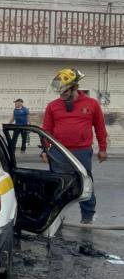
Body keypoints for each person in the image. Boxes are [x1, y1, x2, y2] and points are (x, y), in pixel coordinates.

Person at [41, 68, 107, 224]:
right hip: (58, 152)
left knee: (85, 183)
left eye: (64, 91)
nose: (61, 94)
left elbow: (100, 127)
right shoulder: (53, 106)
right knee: (59, 185)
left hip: (82, 152)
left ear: (75, 87)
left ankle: (87, 217)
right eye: (59, 91)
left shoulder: (92, 104)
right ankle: (58, 216)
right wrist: (45, 150)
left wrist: (102, 148)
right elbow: (47, 130)